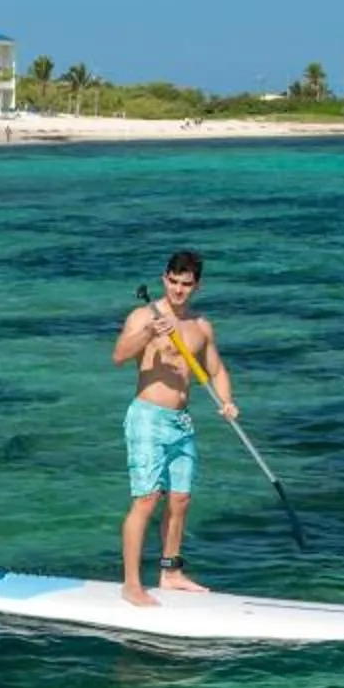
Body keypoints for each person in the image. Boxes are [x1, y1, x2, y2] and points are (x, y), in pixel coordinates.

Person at [110, 248, 239, 607]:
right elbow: (119, 356)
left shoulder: (200, 326)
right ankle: (131, 584)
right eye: (173, 281)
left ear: (197, 285)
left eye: (186, 284)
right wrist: (149, 332)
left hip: (182, 421)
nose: (178, 290)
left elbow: (216, 371)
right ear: (163, 278)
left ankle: (170, 572)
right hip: (148, 416)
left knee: (180, 500)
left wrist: (227, 401)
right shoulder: (143, 315)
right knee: (147, 500)